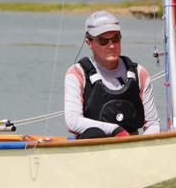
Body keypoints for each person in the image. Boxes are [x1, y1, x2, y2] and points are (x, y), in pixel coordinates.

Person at [64, 11, 160, 139]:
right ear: (89, 42)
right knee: (94, 133)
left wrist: (142, 144)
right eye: (103, 41)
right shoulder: (77, 74)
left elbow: (152, 123)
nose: (111, 45)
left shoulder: (139, 73)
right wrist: (115, 129)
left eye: (115, 39)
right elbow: (72, 121)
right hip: (92, 147)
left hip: (131, 147)